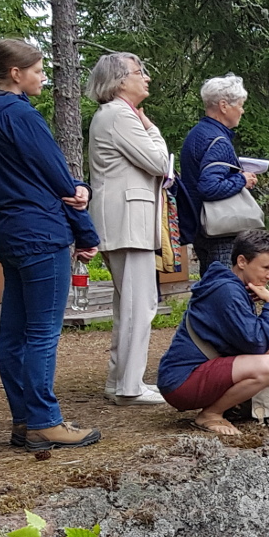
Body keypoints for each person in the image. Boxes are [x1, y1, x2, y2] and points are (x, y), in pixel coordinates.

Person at [0, 38, 103, 451]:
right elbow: (56, 177)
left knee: (13, 333)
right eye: (39, 70)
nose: (43, 77)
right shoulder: (21, 116)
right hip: (42, 231)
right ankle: (46, 421)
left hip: (9, 230)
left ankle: (23, 420)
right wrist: (84, 222)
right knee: (43, 333)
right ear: (16, 73)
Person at [85, 51, 170, 406]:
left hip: (123, 218)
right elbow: (160, 163)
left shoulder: (116, 115)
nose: (146, 77)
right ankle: (129, 387)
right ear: (120, 81)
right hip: (126, 219)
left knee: (132, 303)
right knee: (140, 304)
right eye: (140, 71)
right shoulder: (120, 115)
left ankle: (121, 380)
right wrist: (152, 128)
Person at [156, 230, 269, 437]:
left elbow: (250, 341)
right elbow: (255, 343)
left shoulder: (232, 287)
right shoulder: (227, 291)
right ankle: (211, 414)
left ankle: (222, 408)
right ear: (242, 261)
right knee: (267, 367)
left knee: (266, 359)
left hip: (187, 376)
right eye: (266, 267)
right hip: (181, 382)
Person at [176, 74, 257, 273]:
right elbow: (209, 186)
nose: (242, 110)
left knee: (209, 282)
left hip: (200, 226)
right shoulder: (219, 141)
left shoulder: (196, 134)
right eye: (239, 104)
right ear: (223, 106)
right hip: (221, 230)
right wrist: (242, 179)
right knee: (222, 284)